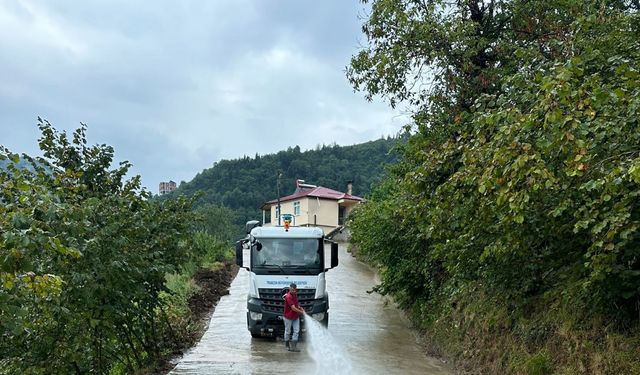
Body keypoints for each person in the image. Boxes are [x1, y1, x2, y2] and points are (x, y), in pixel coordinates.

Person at [283, 283, 305, 352]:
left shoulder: (295, 295)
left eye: (294, 290)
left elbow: (296, 304)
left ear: (296, 289)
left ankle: (293, 347)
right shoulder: (288, 297)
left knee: (296, 331)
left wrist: (300, 308)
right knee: (288, 331)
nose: (293, 291)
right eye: (291, 289)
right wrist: (302, 313)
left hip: (295, 317)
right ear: (289, 289)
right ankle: (287, 345)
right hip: (288, 317)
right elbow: (293, 308)